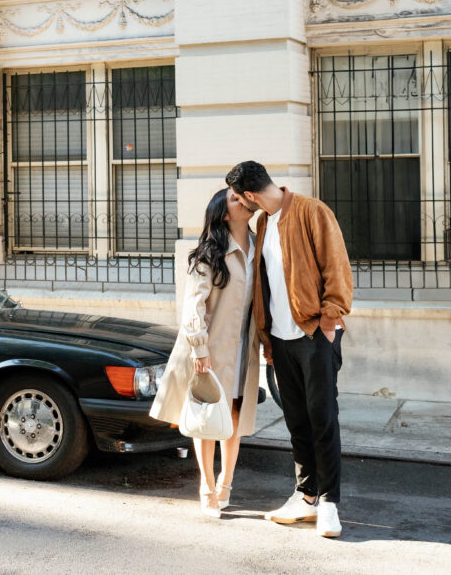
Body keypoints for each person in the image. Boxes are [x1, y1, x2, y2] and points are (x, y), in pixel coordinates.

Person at [225, 161, 353, 539]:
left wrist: (329, 323)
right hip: (280, 339)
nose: (240, 205)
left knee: (322, 416)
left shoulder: (313, 211)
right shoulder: (263, 224)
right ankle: (306, 494)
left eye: (238, 198)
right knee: (296, 419)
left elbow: (338, 269)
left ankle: (329, 503)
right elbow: (265, 285)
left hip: (315, 333)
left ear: (250, 195)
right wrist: (267, 339)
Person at [150, 188, 260, 519]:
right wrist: (199, 348)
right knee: (208, 418)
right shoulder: (209, 255)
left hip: (243, 349)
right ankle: (207, 489)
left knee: (235, 418)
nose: (243, 201)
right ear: (225, 214)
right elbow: (192, 306)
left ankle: (227, 484)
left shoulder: (258, 246)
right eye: (235, 199)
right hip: (211, 351)